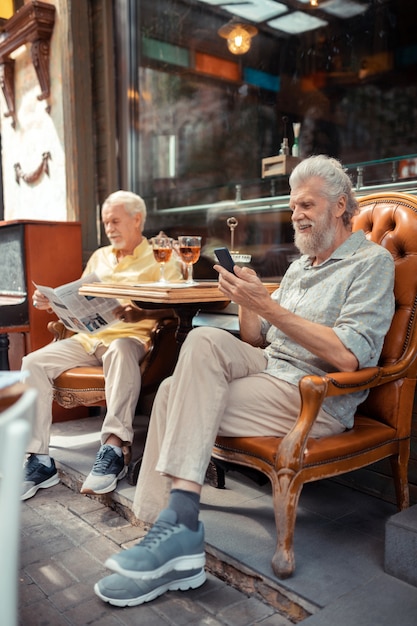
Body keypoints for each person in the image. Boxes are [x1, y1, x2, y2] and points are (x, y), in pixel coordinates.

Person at [93, 156, 395, 607]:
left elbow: (349, 356)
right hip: (269, 371)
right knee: (201, 341)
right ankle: (172, 529)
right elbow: (259, 338)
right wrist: (249, 299)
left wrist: (271, 307)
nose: (297, 215)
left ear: (340, 206)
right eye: (293, 207)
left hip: (315, 394)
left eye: (307, 205)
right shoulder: (300, 266)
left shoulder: (371, 263)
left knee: (174, 394)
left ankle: (174, 538)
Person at [21, 190, 182, 500]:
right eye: (106, 222)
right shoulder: (99, 256)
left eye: (116, 221)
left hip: (132, 340)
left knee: (121, 348)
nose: (109, 228)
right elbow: (81, 300)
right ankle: (40, 459)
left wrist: (142, 312)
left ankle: (114, 447)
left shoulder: (161, 257)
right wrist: (52, 304)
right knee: (32, 363)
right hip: (89, 338)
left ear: (137, 220)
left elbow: (175, 308)